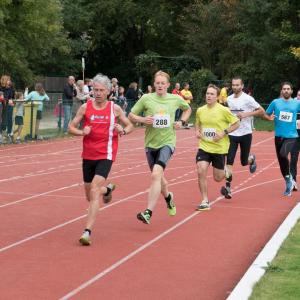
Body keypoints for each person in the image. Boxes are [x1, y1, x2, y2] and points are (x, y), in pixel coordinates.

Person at [68, 74, 133, 245]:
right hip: (88, 155)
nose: (97, 93)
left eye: (101, 90)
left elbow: (130, 125)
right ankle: (108, 190)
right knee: (90, 195)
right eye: (95, 90)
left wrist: (123, 130)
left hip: (106, 154)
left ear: (108, 91)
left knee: (95, 189)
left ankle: (87, 231)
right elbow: (71, 127)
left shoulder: (115, 108)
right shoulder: (85, 107)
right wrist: (82, 132)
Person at [129, 70, 191, 224]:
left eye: (163, 83)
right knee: (160, 178)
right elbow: (131, 115)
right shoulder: (146, 98)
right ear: (154, 84)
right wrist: (143, 119)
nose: (160, 85)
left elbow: (188, 109)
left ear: (168, 85)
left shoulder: (175, 98)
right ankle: (169, 197)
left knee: (156, 174)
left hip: (167, 142)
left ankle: (148, 212)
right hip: (150, 144)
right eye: (157, 83)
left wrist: (182, 122)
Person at [195, 84, 240, 210]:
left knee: (218, 178)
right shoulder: (200, 110)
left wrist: (224, 132)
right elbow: (197, 124)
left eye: (212, 94)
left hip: (219, 149)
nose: (208, 96)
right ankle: (205, 200)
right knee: (200, 170)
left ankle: (226, 172)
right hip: (204, 146)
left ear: (217, 97)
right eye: (207, 93)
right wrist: (197, 131)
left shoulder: (224, 110)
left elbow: (237, 123)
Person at [221, 77, 265, 199]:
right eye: (233, 85)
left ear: (242, 85)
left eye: (237, 85)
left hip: (246, 133)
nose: (235, 87)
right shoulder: (228, 99)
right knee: (229, 160)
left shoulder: (248, 98)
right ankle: (228, 188)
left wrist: (247, 114)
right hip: (232, 134)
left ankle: (251, 159)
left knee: (243, 162)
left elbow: (261, 111)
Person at [263, 82, 300, 196]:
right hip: (278, 136)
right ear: (281, 91)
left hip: (292, 136)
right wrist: (269, 118)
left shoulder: (297, 103)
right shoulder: (275, 102)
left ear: (291, 91)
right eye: (284, 89)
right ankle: (288, 180)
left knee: (283, 154)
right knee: (281, 161)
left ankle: (289, 179)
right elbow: (265, 114)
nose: (286, 91)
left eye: (288, 89)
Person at [289, 89, 300, 191]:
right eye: (298, 95)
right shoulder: (292, 106)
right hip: (295, 136)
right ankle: (293, 181)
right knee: (294, 158)